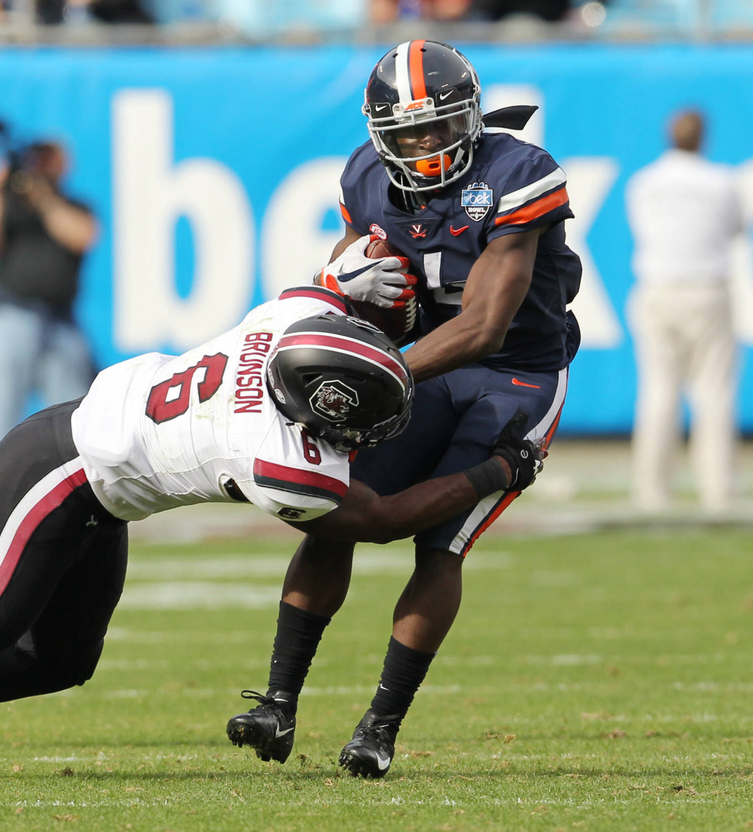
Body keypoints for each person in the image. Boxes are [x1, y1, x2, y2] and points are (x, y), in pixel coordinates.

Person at [0, 286, 544, 781]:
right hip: (59, 471)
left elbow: (330, 285)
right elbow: (385, 520)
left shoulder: (290, 318)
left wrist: (365, 282)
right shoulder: (280, 459)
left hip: (103, 487)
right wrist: (496, 470)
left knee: (62, 659)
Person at [227, 40, 580, 777]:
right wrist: (343, 278)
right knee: (333, 510)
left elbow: (483, 328)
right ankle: (278, 703)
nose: (427, 146)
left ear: (472, 117)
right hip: (422, 367)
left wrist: (384, 371)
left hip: (515, 375)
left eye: (441, 126)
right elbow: (350, 268)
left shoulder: (517, 174)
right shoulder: (365, 175)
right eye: (409, 133)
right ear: (381, 135)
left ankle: (379, 728)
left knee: (440, 543)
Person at [625, 109, 743, 514]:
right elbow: (734, 229)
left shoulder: (644, 182)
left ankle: (651, 489)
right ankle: (718, 488)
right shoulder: (721, 182)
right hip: (707, 289)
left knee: (659, 390)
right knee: (714, 392)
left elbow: (643, 230)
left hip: (658, 289)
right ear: (703, 137)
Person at [0, 137, 98, 492]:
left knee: (74, 414)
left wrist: (42, 197)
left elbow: (82, 236)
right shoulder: (8, 205)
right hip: (10, 316)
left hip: (61, 322)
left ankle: (79, 491)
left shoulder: (74, 206)